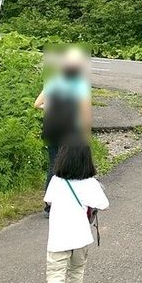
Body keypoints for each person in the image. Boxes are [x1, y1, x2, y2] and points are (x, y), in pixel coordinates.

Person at [43, 141, 108, 283]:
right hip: (80, 237)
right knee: (76, 270)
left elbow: (48, 200)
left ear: (62, 160)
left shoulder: (56, 180)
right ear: (87, 161)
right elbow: (104, 204)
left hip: (57, 238)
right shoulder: (90, 183)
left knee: (56, 272)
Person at [34, 47, 92, 213]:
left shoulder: (53, 82)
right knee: (68, 164)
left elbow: (37, 104)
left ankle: (49, 204)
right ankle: (67, 202)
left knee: (53, 165)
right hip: (69, 129)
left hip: (51, 128)